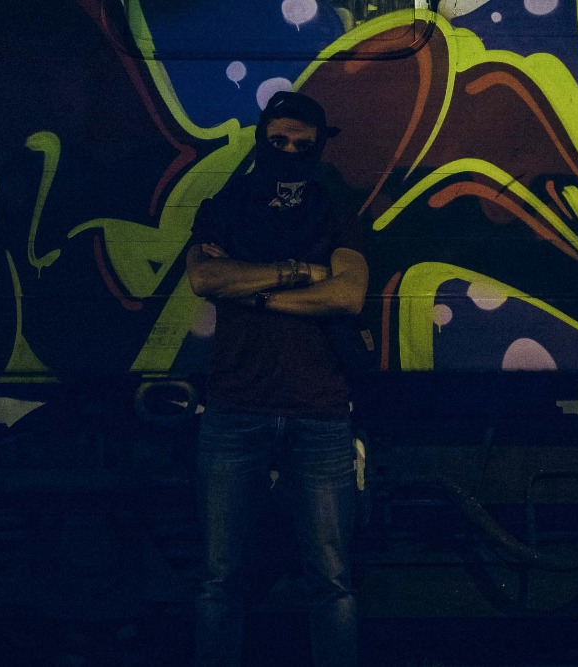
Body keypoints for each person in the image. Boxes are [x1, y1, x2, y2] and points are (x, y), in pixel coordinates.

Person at [185, 90, 368, 667]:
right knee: (219, 577)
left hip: (320, 411)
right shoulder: (224, 206)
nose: (288, 152)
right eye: (279, 141)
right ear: (262, 140)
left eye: (301, 145)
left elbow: (349, 293)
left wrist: (256, 292)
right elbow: (205, 279)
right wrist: (300, 273)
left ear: (317, 148)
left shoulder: (333, 209)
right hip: (235, 407)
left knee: (332, 579)